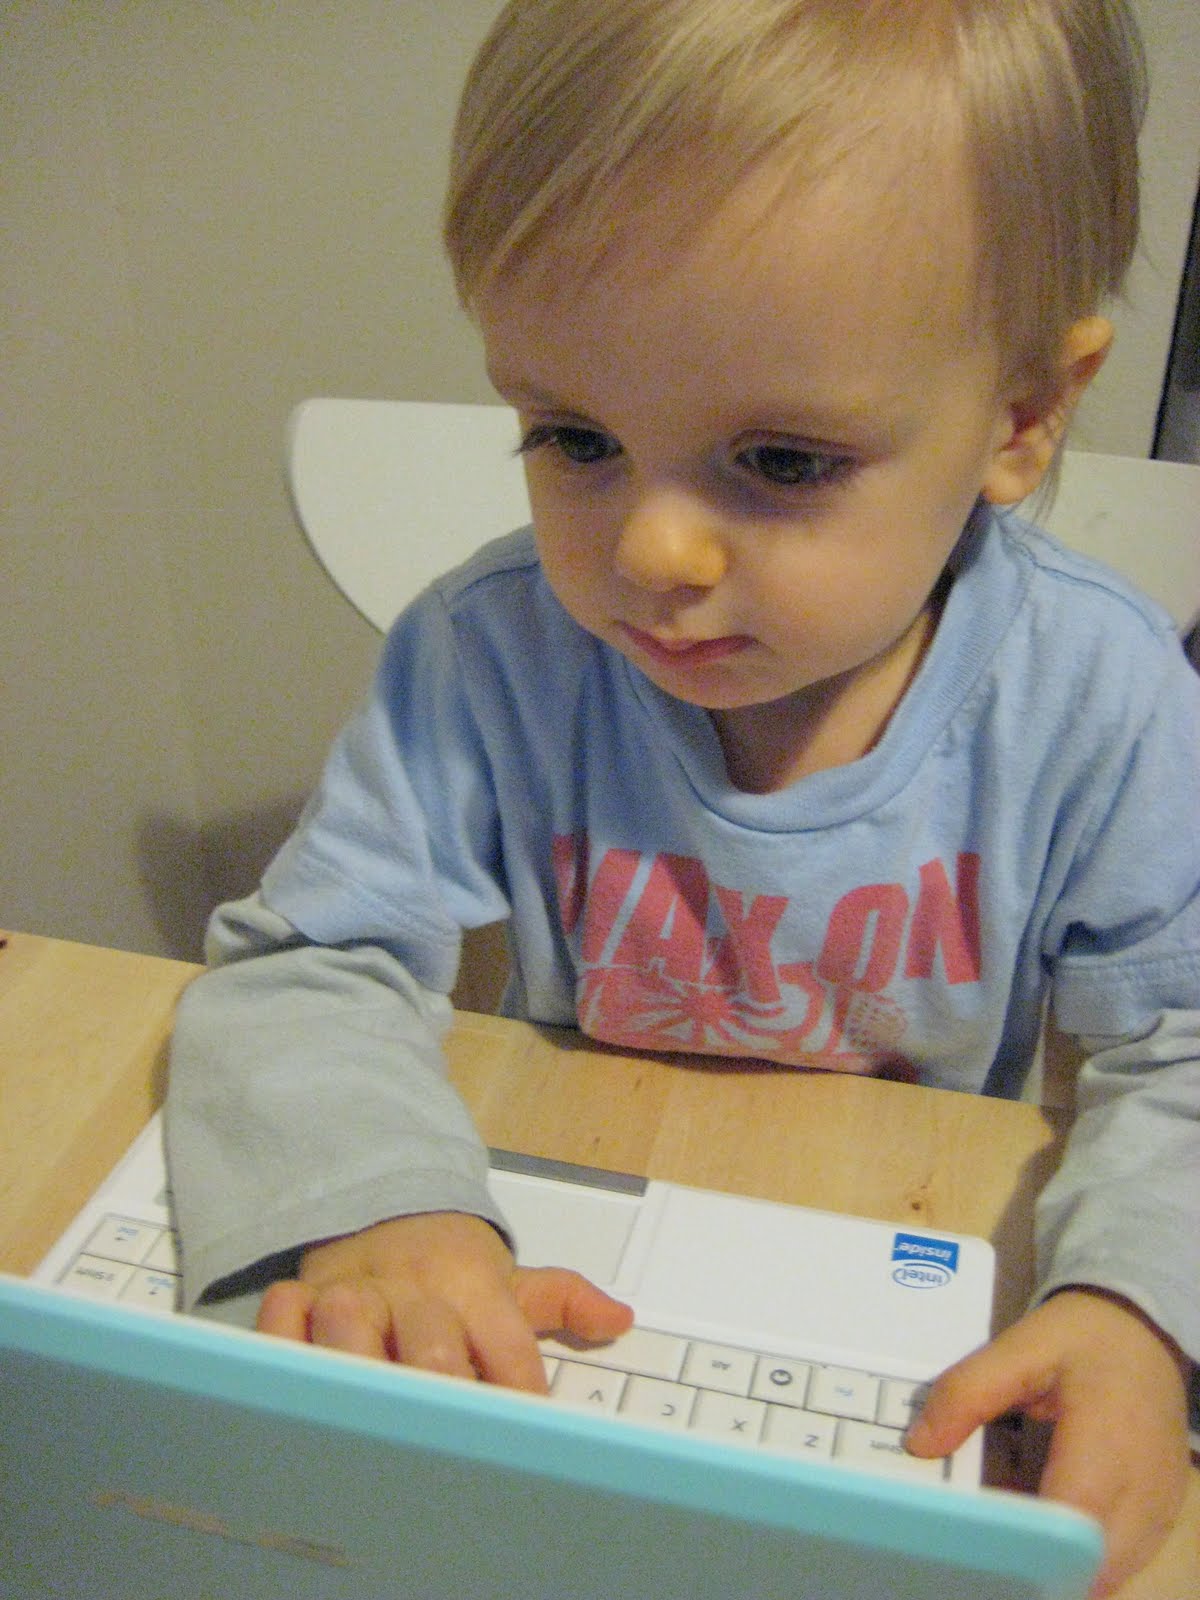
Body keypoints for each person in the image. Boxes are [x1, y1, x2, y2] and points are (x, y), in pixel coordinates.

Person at [167, 2, 1198, 1593]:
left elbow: (1185, 1042)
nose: (650, 553)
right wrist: (374, 1207)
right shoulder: (490, 655)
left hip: (891, 1300)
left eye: (780, 462)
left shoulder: (1102, 696)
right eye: (573, 434)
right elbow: (311, 961)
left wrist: (1137, 1309)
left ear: (1021, 417)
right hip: (584, 1282)